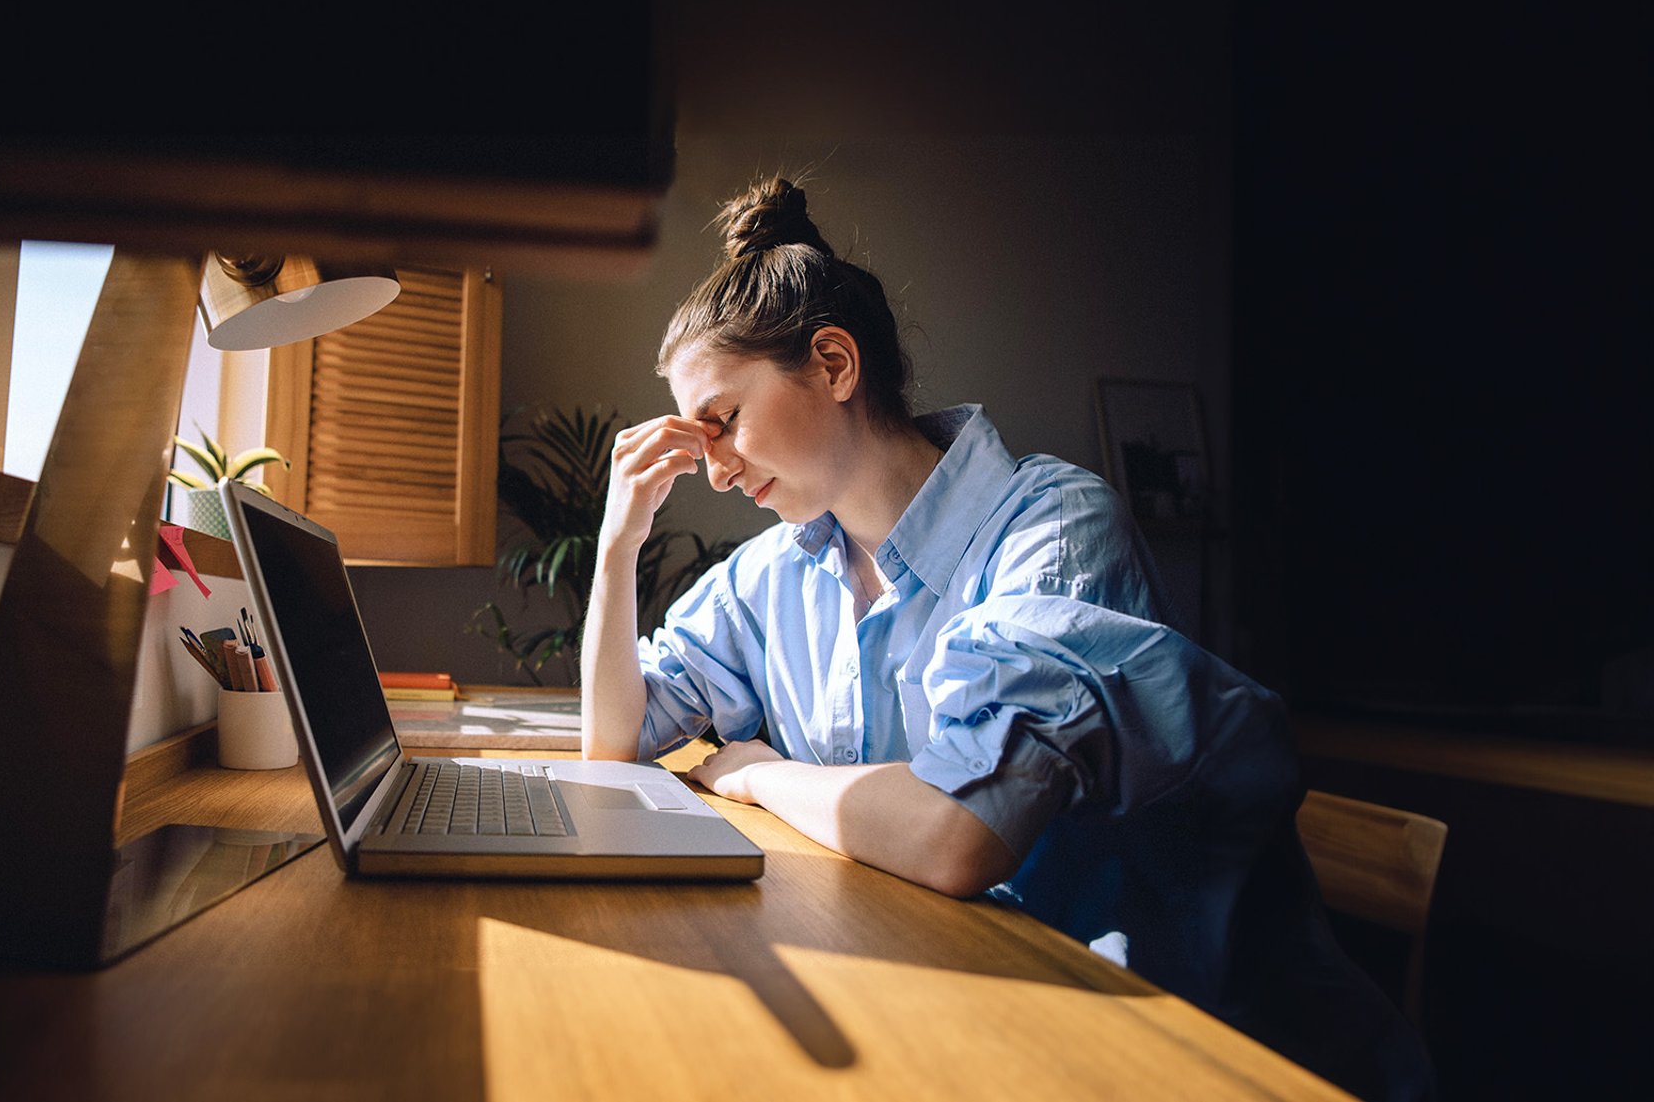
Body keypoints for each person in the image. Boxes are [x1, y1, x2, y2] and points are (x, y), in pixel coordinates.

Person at [580, 176, 1434, 1100]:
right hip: (962, 1007)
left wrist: (757, 773)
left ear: (833, 363)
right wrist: (618, 545)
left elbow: (958, 835)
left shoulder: (1054, 532)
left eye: (722, 421)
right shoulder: (772, 574)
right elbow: (615, 743)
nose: (713, 469)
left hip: (1182, 1048)